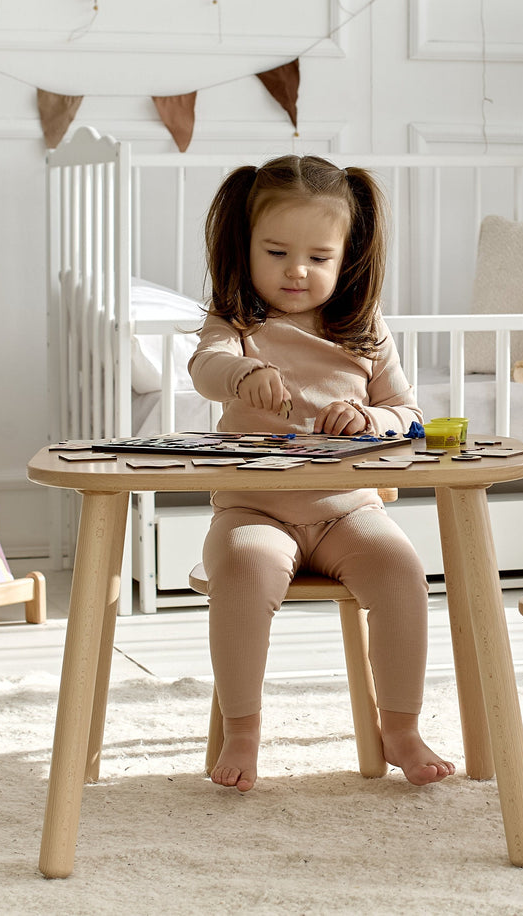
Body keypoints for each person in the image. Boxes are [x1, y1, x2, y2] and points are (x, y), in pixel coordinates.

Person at [188, 154, 454, 793]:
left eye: (318, 257)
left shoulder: (362, 330)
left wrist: (370, 419)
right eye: (276, 252)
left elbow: (408, 413)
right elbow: (205, 366)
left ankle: (402, 725)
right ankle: (244, 729)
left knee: (400, 570)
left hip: (348, 510)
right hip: (254, 509)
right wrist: (243, 374)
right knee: (245, 567)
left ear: (348, 257)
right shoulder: (237, 324)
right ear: (245, 247)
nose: (297, 271)